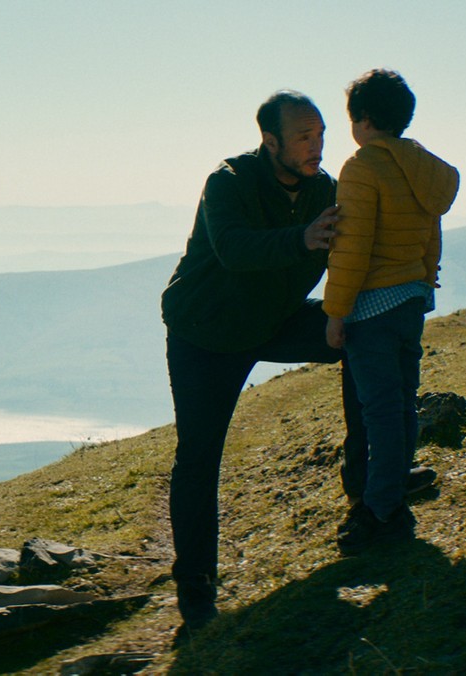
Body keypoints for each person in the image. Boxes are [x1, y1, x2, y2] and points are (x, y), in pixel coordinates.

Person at [160, 90, 362, 635]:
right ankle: (196, 589)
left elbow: (352, 247)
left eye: (320, 132)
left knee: (366, 335)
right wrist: (301, 238)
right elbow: (233, 248)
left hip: (274, 321)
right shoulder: (228, 180)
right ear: (269, 141)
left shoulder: (323, 187)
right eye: (303, 136)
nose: (317, 144)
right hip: (207, 332)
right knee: (199, 459)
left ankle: (367, 495)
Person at [324, 69, 459, 555]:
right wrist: (425, 277)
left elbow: (351, 248)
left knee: (379, 411)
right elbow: (431, 231)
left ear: (361, 120)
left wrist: (336, 311)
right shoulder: (423, 168)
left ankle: (382, 510)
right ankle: (395, 485)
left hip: (372, 309)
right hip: (410, 301)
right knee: (402, 402)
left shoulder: (362, 168)